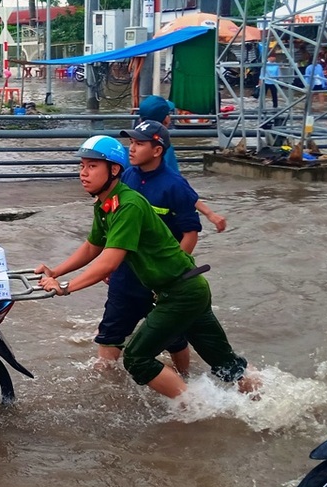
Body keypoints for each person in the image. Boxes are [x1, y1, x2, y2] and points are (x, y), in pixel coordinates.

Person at [34, 135, 256, 399]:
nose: (83, 173)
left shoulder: (128, 204)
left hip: (180, 293)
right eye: (82, 166)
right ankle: (267, 401)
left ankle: (196, 410)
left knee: (137, 358)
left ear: (114, 170)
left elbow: (109, 260)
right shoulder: (107, 204)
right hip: (187, 289)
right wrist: (56, 272)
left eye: (92, 166)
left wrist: (66, 287)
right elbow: (93, 246)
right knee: (226, 365)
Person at [92, 120, 202, 373]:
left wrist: (170, 274)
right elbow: (113, 226)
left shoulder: (175, 185)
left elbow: (190, 234)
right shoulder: (126, 177)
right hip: (126, 276)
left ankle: (184, 378)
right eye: (131, 142)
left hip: (159, 280)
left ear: (157, 150)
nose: (131, 149)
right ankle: (106, 394)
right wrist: (110, 265)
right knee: (110, 333)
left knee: (173, 338)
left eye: (139, 144)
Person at [137, 95, 226, 232]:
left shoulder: (132, 151)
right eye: (168, 114)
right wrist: (209, 213)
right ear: (166, 120)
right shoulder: (162, 150)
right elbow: (179, 188)